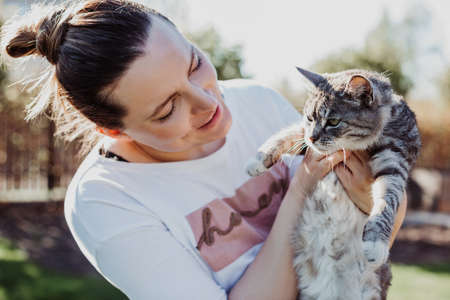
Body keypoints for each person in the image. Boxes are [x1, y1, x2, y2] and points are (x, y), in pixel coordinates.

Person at [0, 0, 407, 299]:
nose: (208, 102)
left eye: (194, 64)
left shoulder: (259, 101)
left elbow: (379, 216)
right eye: (167, 109)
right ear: (112, 129)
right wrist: (299, 191)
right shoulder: (106, 201)